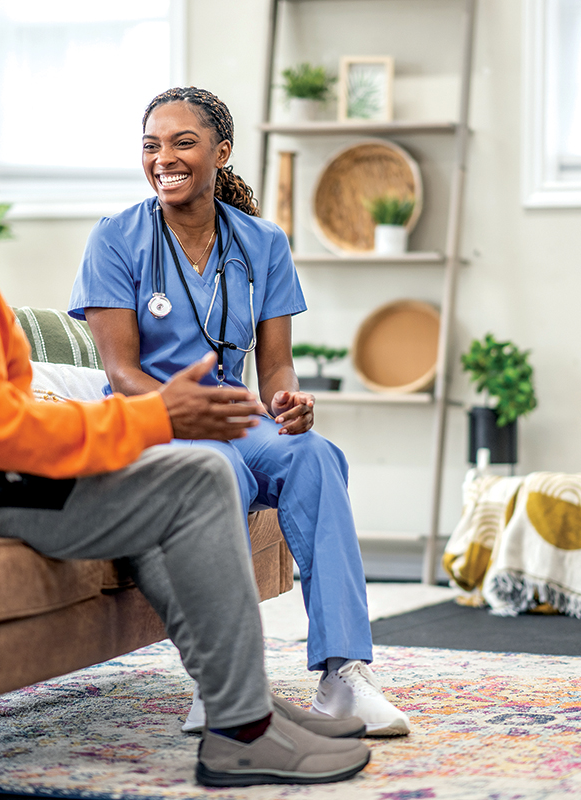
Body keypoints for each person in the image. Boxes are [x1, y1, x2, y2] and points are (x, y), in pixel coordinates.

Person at [0, 91, 372, 787]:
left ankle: (241, 709)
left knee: (184, 482)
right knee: (196, 479)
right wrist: (152, 419)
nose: (163, 158)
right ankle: (241, 726)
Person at [69, 86, 411, 737]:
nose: (163, 157)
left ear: (221, 152)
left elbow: (276, 363)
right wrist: (182, 411)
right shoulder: (116, 240)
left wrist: (288, 401)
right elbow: (121, 373)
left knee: (313, 455)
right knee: (209, 470)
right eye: (151, 145)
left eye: (182, 142)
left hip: (238, 416)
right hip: (154, 421)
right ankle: (225, 681)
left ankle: (344, 675)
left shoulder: (262, 242)